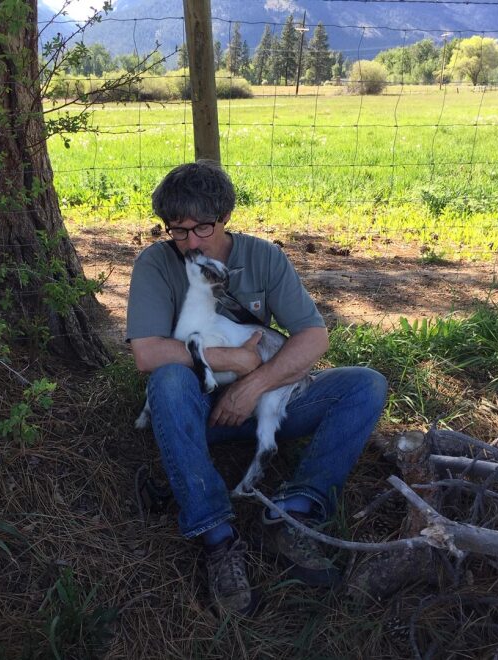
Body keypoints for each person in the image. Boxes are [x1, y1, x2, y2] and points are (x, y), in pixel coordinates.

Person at [126, 160, 387, 614]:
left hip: (261, 401)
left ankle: (291, 514)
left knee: (365, 385)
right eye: (177, 231)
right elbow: (147, 354)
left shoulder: (263, 257)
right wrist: (234, 360)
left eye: (201, 228)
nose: (189, 242)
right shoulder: (155, 263)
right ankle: (217, 537)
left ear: (224, 217)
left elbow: (314, 336)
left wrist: (255, 383)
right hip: (193, 414)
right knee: (168, 381)